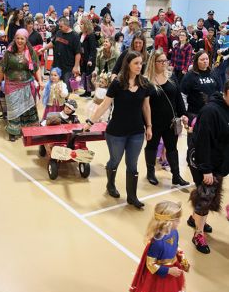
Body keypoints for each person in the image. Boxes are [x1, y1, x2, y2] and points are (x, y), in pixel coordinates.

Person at [84, 51, 153, 209]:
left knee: (132, 164)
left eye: (141, 63)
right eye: (136, 63)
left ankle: (132, 196)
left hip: (136, 132)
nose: (139, 66)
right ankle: (110, 185)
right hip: (116, 132)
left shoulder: (144, 83)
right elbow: (104, 105)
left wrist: (149, 126)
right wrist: (90, 122)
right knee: (115, 160)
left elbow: (146, 106)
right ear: (128, 64)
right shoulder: (117, 83)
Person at [124, 200, 189, 292]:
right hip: (158, 274)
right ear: (168, 222)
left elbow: (175, 247)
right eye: (177, 220)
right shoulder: (157, 243)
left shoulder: (174, 232)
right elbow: (151, 264)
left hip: (171, 269)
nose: (179, 222)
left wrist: (182, 259)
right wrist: (169, 270)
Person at [187, 82, 229, 254]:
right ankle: (198, 233)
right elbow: (202, 141)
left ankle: (193, 219)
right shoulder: (211, 111)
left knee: (210, 195)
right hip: (204, 161)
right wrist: (206, 169)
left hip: (219, 161)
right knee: (206, 197)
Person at [144, 49, 189, 186]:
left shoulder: (171, 76)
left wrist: (183, 114)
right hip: (154, 122)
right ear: (153, 62)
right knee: (151, 146)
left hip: (171, 122)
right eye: (160, 61)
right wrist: (147, 124)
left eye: (165, 60)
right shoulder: (146, 80)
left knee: (172, 148)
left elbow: (178, 98)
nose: (164, 63)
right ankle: (150, 173)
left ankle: (176, 175)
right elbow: (144, 106)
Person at [0, 28, 44, 141]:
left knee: (28, 108)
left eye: (22, 38)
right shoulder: (8, 52)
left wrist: (40, 81)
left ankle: (29, 129)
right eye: (17, 38)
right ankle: (13, 131)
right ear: (14, 39)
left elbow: (36, 67)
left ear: (26, 39)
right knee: (13, 108)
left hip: (27, 84)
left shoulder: (31, 52)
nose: (19, 41)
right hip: (11, 85)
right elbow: (2, 69)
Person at [180, 50, 221, 136]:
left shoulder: (213, 73)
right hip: (195, 113)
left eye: (206, 59)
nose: (205, 61)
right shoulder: (190, 76)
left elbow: (219, 92)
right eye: (202, 59)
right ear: (196, 61)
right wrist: (185, 113)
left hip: (212, 113)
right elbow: (183, 95)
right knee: (194, 141)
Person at [40, 17, 81, 91]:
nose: (59, 27)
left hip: (68, 67)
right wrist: (44, 49)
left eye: (61, 26)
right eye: (59, 26)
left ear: (67, 26)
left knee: (66, 88)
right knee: (52, 86)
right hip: (56, 64)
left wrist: (76, 66)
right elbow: (53, 43)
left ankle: (65, 101)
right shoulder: (59, 32)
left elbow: (78, 53)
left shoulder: (75, 36)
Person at [79, 17, 97, 98]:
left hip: (89, 59)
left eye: (82, 24)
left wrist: (90, 59)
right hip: (82, 58)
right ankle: (87, 91)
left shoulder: (91, 35)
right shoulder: (80, 34)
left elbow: (93, 49)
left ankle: (91, 92)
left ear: (86, 25)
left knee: (89, 76)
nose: (80, 25)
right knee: (85, 74)